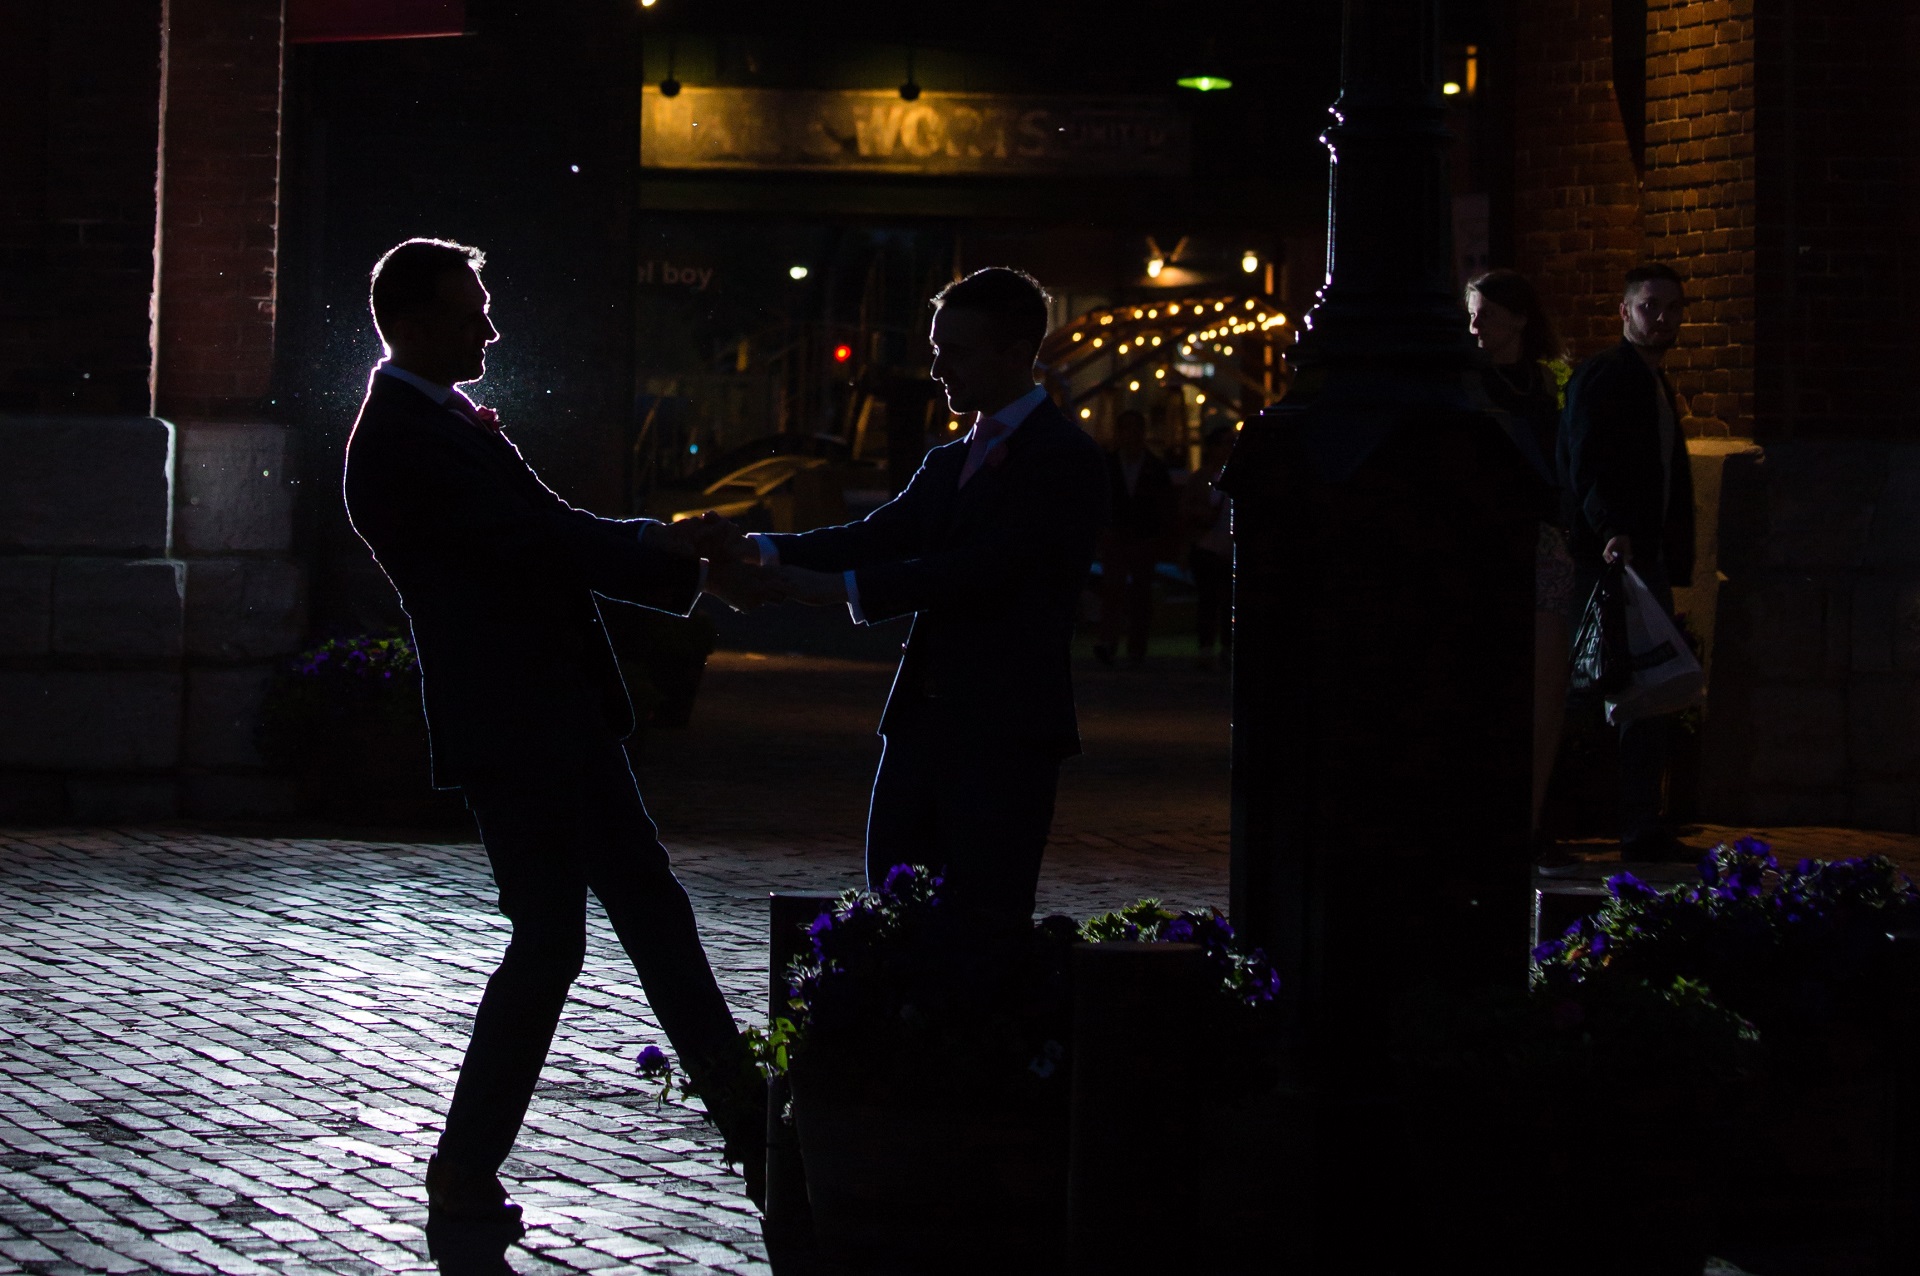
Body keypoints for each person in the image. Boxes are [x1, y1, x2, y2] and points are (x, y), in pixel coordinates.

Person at [340, 239, 776, 1256]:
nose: (488, 327)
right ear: (407, 320)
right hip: (525, 721)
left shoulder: (430, 423)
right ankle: (741, 1131)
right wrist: (670, 557)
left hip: (539, 717)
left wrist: (661, 540)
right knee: (585, 931)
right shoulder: (406, 436)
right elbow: (538, 543)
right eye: (468, 311)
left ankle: (742, 1130)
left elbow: (547, 524)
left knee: (609, 926)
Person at [738, 267, 1109, 926]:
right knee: (894, 901)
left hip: (1006, 731)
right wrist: (758, 549)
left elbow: (986, 569)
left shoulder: (1066, 458)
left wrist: (843, 590)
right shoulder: (949, 460)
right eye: (937, 349)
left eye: (955, 351)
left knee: (984, 917)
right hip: (921, 727)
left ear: (1016, 349)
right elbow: (874, 536)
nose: (938, 368)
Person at [1559, 261, 1696, 862]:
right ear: (1625, 311)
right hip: (1613, 557)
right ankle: (1565, 819)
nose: (1662, 318)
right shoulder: (1607, 376)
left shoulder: (1651, 381)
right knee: (1598, 689)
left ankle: (1640, 825)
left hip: (1639, 554)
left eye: (1671, 308)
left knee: (1638, 691)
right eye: (1649, 306)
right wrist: (1609, 530)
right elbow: (1586, 462)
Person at [1466, 268, 1574, 850]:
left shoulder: (1547, 383)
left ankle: (1530, 819)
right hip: (1488, 542)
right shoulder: (1468, 383)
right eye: (1473, 313)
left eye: (1488, 313)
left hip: (1542, 538)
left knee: (1545, 685)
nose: (1476, 324)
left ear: (1521, 319)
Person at [1093, 409, 1173, 666]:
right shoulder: (1111, 465)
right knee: (1113, 592)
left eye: (1134, 429)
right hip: (1118, 536)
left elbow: (1163, 506)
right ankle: (1110, 642)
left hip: (1141, 537)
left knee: (1139, 594)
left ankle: (1134, 647)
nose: (1130, 435)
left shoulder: (1151, 468)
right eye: (1126, 429)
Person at [1181, 425, 1235, 672]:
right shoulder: (1202, 478)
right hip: (1206, 546)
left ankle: (1226, 646)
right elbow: (1186, 509)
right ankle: (1206, 646)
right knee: (1208, 599)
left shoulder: (1236, 478)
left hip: (1229, 547)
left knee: (1228, 601)